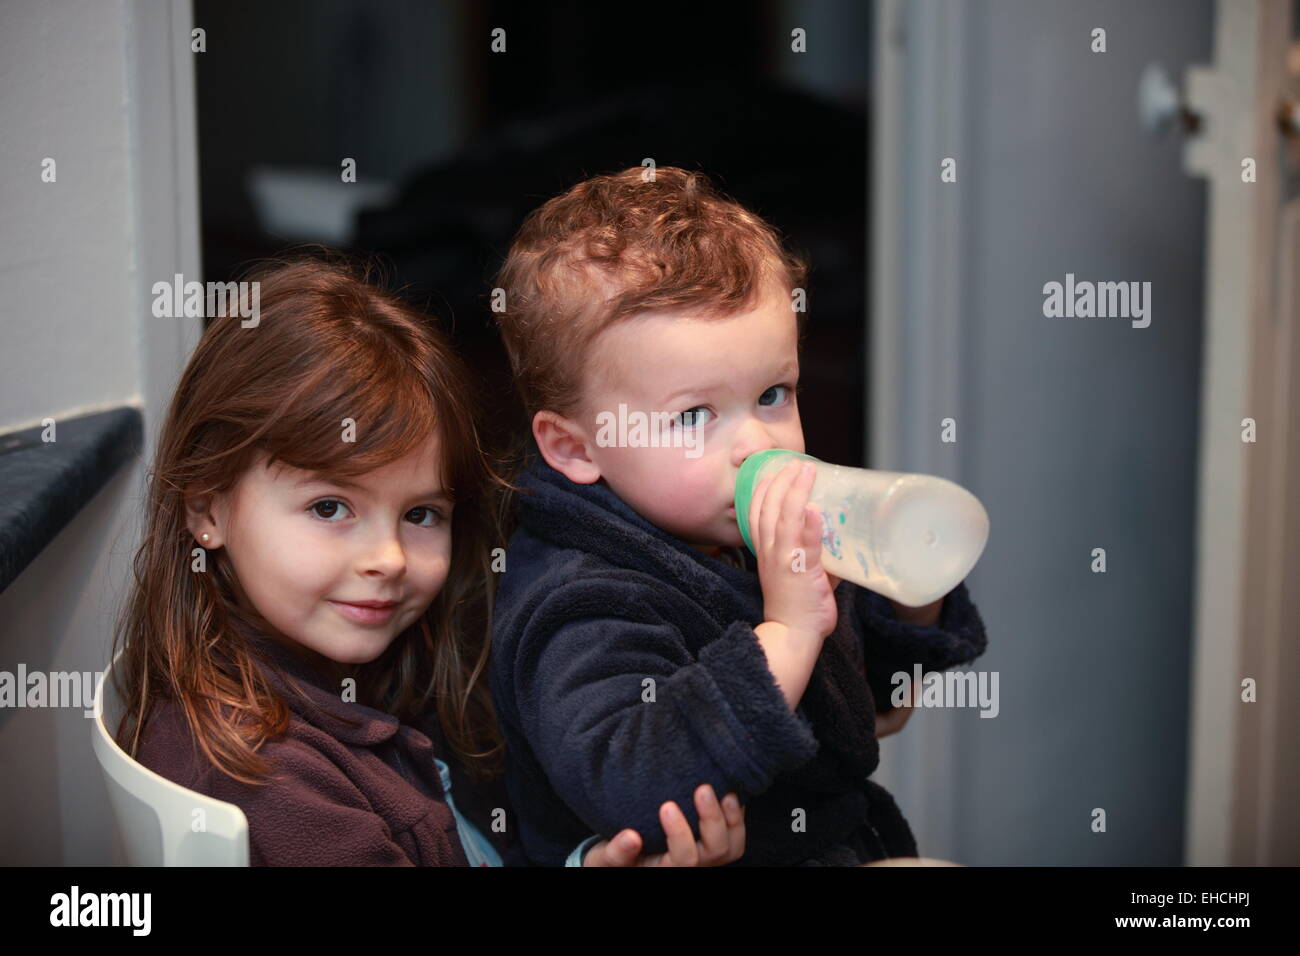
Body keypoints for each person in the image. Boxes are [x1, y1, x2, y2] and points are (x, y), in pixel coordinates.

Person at [114, 252, 745, 866]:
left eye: (421, 515)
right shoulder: (265, 784)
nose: (388, 558)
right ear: (207, 510)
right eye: (330, 508)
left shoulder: (377, 679)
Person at [489, 167, 990, 865]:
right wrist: (784, 632)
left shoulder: (745, 535)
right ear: (575, 447)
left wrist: (911, 599)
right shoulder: (580, 599)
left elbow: (871, 709)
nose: (757, 443)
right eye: (694, 416)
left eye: (773, 394)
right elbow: (628, 786)